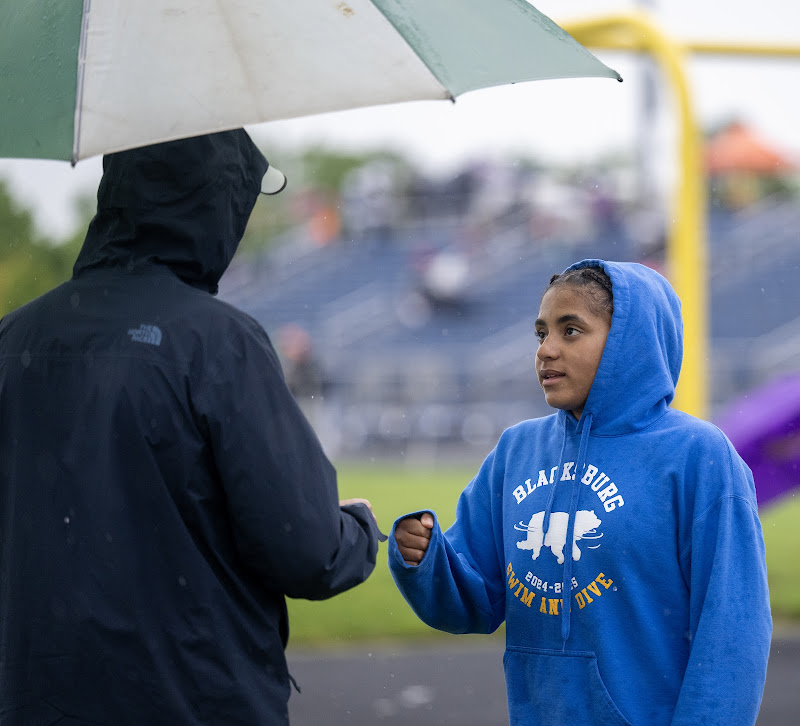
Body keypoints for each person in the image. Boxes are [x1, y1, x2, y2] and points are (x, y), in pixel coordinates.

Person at [0, 130, 383, 725]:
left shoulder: (13, 337)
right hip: (191, 699)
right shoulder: (218, 342)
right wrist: (356, 527)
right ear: (216, 203)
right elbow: (306, 550)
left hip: (35, 699)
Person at [390, 260, 772, 725]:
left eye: (571, 331)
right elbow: (471, 600)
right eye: (541, 332)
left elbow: (732, 633)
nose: (546, 350)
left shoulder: (699, 455)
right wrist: (425, 558)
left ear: (628, 345)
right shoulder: (517, 449)